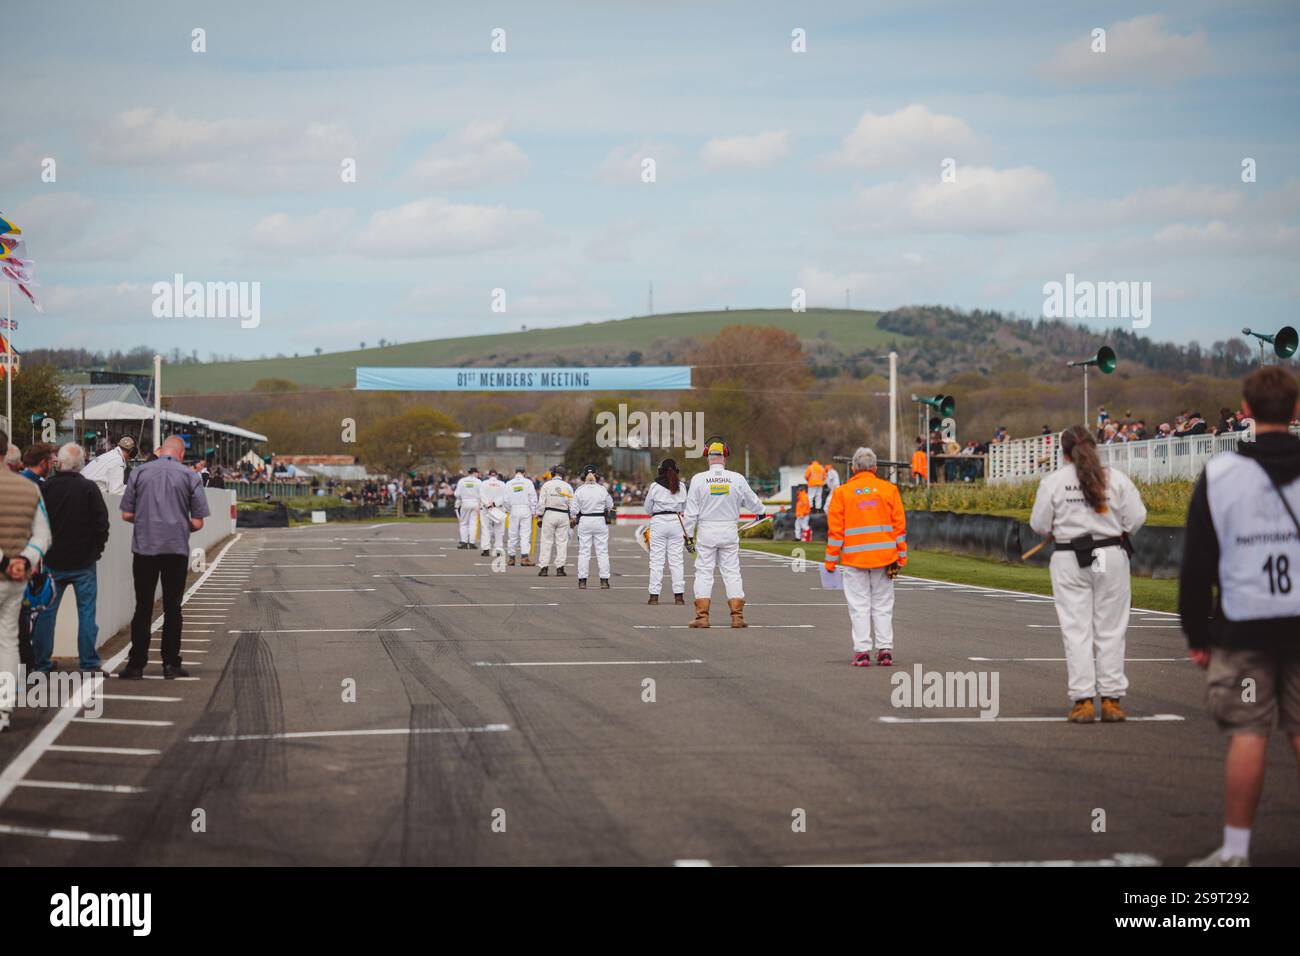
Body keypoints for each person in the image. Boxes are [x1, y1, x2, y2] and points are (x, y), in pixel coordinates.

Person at [1180, 366, 1300, 867]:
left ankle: (1235, 849)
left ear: (1245, 411)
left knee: (1250, 734)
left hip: (1244, 622)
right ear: (1295, 411)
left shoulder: (1222, 473)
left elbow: (1198, 560)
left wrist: (1196, 631)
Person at [1029, 424, 1147, 722]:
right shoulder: (1116, 479)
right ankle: (1111, 700)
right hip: (1107, 555)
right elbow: (1136, 519)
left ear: (1064, 452)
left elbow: (1040, 525)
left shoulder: (1054, 482)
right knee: (1110, 629)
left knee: (1076, 629)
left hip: (1070, 558)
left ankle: (1083, 700)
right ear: (1094, 447)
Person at [118, 436, 210, 680]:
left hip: (145, 548)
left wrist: (148, 522)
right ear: (180, 454)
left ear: (161, 451)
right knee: (172, 607)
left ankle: (136, 664)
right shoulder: (190, 476)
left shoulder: (139, 472)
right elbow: (198, 522)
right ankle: (170, 664)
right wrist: (178, 526)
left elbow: (127, 514)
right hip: (175, 549)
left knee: (143, 607)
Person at [823, 447, 907, 666]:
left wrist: (830, 560)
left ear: (853, 468)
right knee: (883, 604)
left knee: (859, 606)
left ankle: (862, 652)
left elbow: (835, 531)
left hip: (854, 559)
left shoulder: (842, 493)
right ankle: (885, 650)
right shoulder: (889, 490)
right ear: (875, 468)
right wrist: (901, 557)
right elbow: (899, 528)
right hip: (885, 558)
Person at [31, 444, 110, 675]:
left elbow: (37, 522)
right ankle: (88, 663)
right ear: (81, 465)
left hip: (53, 561)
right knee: (86, 613)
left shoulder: (46, 488)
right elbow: (101, 523)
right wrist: (97, 550)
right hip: (84, 561)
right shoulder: (88, 488)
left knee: (46, 614)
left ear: (60, 463)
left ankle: (41, 664)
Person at [0, 430, 52, 731]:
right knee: (8, 641)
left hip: (8, 568)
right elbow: (43, 534)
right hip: (16, 577)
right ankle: (4, 709)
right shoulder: (28, 489)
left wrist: (6, 562)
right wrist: (24, 560)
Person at [683, 438, 764, 628]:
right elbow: (754, 502)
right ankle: (737, 617)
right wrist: (761, 511)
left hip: (707, 531)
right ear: (724, 457)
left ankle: (702, 617)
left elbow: (690, 513)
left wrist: (688, 536)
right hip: (729, 530)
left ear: (707, 457)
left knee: (703, 572)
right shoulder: (737, 478)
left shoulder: (698, 479)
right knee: (732, 572)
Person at [643, 457, 687, 605]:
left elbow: (648, 508)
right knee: (676, 561)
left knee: (656, 561)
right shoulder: (681, 486)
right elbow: (685, 508)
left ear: (661, 470)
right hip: (676, 521)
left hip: (659, 522)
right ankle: (679, 596)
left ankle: (654, 596)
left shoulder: (655, 486)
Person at [569, 464, 614, 589]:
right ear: (596, 475)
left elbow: (573, 510)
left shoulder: (580, 490)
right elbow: (610, 505)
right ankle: (604, 580)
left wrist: (573, 517)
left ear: (584, 476)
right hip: (600, 520)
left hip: (585, 520)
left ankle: (582, 580)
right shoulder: (602, 489)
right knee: (602, 551)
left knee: (584, 552)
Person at [536, 465, 574, 577]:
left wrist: (540, 516)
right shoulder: (568, 486)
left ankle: (544, 568)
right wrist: (572, 517)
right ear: (563, 475)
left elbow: (541, 503)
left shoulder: (547, 485)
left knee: (546, 541)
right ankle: (560, 569)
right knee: (562, 542)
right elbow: (572, 503)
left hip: (549, 514)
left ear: (552, 474)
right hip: (563, 515)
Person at [504, 467, 538, 566]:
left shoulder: (509, 483)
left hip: (514, 509)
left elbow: (505, 500)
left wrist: (510, 510)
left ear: (516, 472)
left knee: (512, 535)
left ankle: (511, 558)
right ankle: (524, 557)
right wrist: (534, 511)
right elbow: (533, 498)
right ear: (524, 472)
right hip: (525, 509)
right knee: (525, 534)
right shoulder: (528, 482)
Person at [478, 469, 507, 557]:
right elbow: (504, 496)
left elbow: (481, 495)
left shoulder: (483, 483)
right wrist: (495, 504)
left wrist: (488, 504)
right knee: (499, 529)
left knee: (486, 528)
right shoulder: (502, 484)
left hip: (486, 509)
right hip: (498, 508)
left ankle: (486, 549)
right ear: (497, 475)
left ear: (489, 475)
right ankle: (498, 549)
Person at [453, 467, 482, 549]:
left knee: (463, 523)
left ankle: (464, 542)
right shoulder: (478, 481)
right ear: (475, 473)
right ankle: (472, 543)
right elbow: (481, 494)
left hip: (465, 502)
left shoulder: (462, 481)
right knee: (473, 523)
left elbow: (457, 494)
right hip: (475, 503)